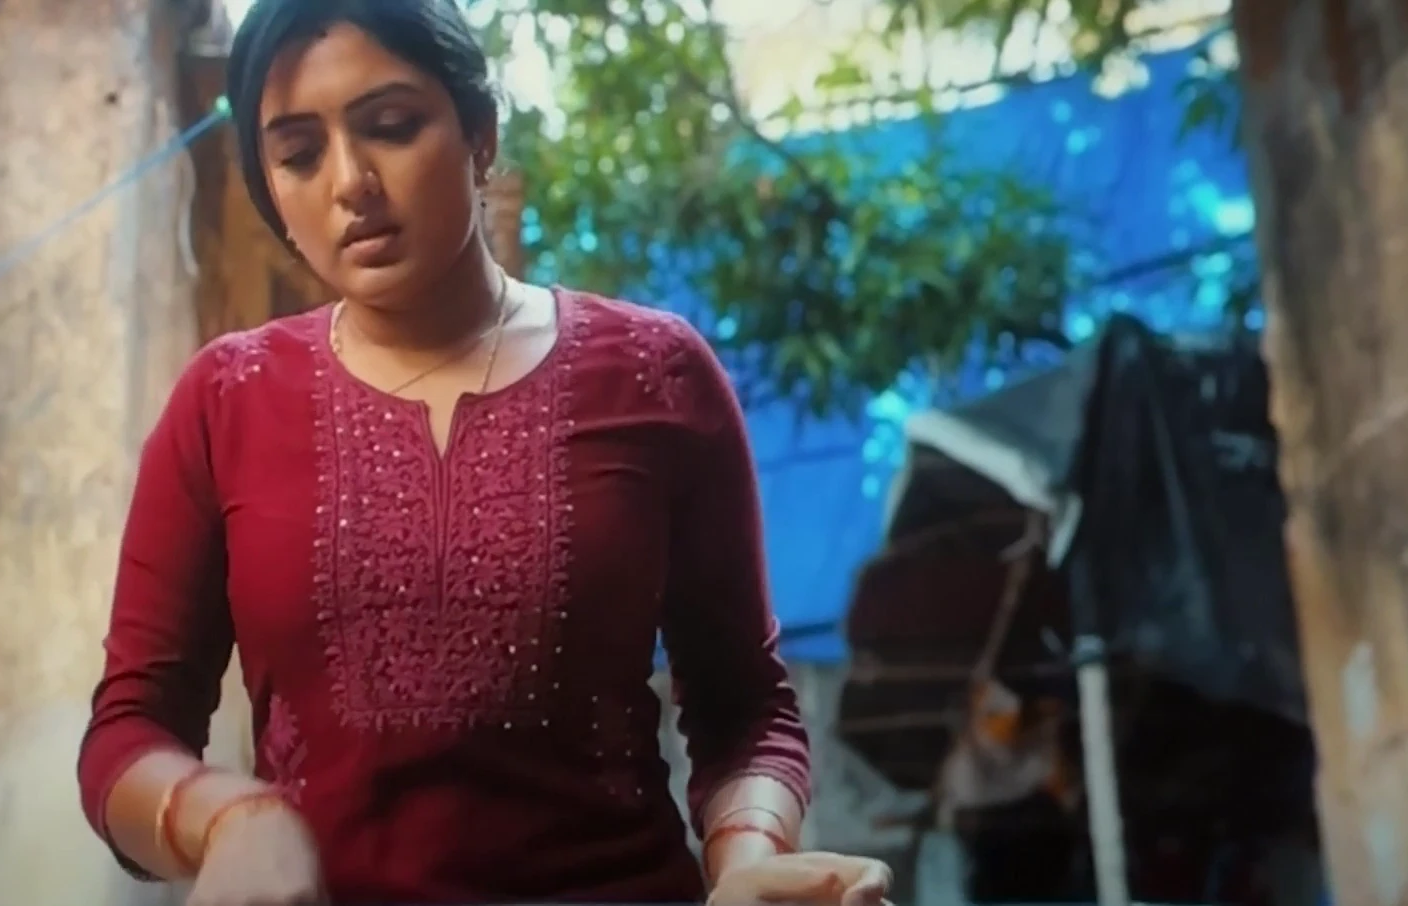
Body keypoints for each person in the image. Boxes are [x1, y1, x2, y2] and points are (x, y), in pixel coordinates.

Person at [76, 1, 895, 904]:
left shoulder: (656, 374)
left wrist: (748, 865)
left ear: (480, 134)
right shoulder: (225, 400)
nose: (350, 182)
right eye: (300, 155)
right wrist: (228, 818)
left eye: (392, 126)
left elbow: (745, 711)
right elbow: (128, 732)